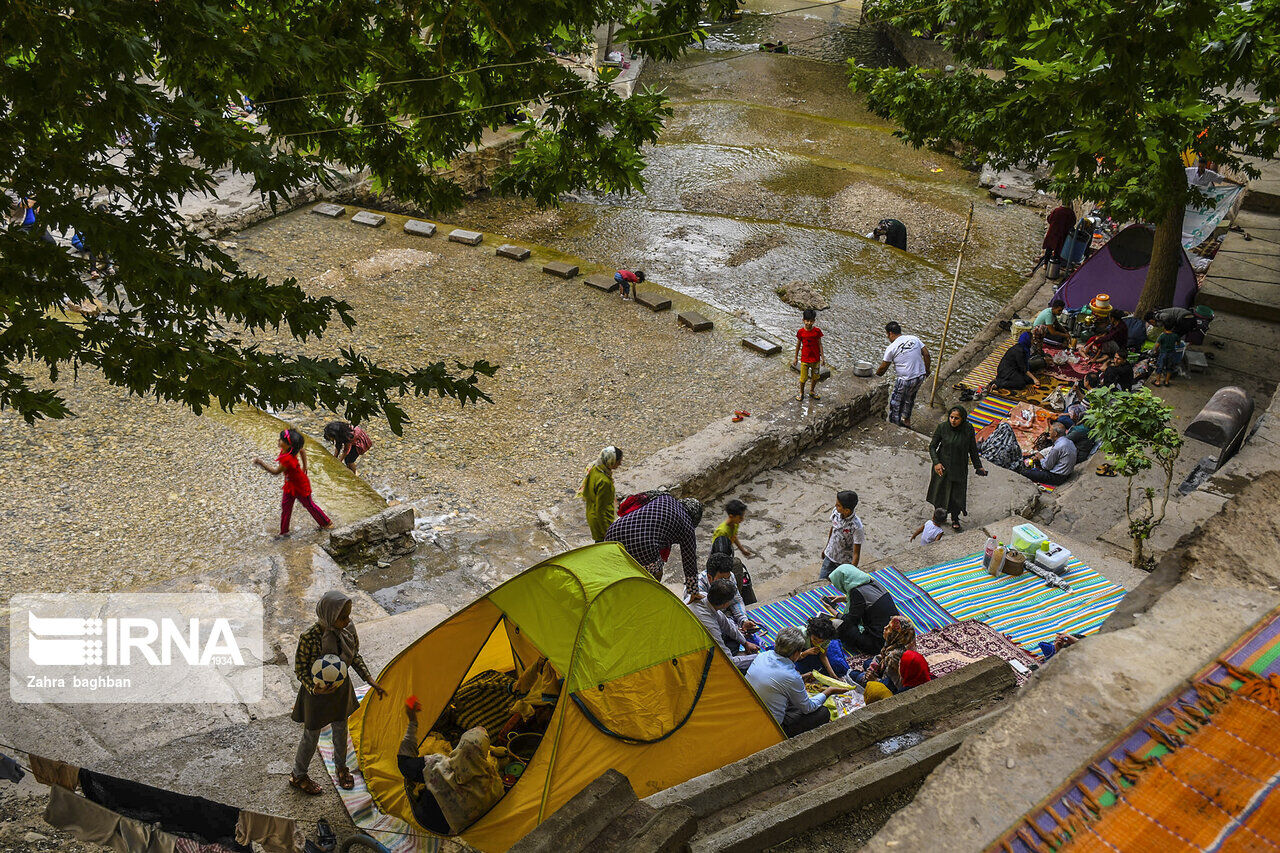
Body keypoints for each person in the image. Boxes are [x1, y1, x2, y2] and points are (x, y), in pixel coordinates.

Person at [291, 591, 386, 795]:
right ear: (328, 615)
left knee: (341, 729)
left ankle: (341, 768)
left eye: (348, 616)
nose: (348, 620)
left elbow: (354, 656)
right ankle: (298, 775)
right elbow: (300, 669)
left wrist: (370, 680)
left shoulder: (347, 630)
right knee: (311, 735)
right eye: (343, 617)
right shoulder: (309, 637)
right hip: (316, 695)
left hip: (340, 690)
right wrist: (314, 687)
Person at [397, 703, 504, 835]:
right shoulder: (493, 779)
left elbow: (405, 764)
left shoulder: (438, 767)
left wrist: (412, 723)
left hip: (429, 826)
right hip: (467, 829)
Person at [745, 627, 849, 737]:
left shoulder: (763, 655)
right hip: (772, 727)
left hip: (750, 712)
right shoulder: (791, 676)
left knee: (793, 699)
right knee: (823, 712)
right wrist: (829, 691)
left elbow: (777, 682)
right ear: (796, 653)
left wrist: (802, 678)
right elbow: (808, 708)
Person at [606, 493, 703, 600]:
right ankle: (647, 597)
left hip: (613, 532)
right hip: (643, 547)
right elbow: (689, 559)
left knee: (620, 571)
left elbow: (638, 498)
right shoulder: (687, 525)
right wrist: (693, 591)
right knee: (656, 573)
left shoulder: (665, 497)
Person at [254, 428, 332, 536]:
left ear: (288, 445)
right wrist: (305, 466)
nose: (278, 440)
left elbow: (275, 472)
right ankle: (284, 532)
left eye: (281, 439)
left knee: (309, 505)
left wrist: (261, 463)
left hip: (300, 485)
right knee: (286, 507)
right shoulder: (291, 450)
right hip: (290, 484)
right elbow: (302, 450)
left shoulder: (287, 459)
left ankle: (326, 523)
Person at [927, 405, 988, 531]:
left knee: (956, 495)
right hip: (942, 467)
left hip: (959, 468)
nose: (953, 421)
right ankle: (940, 516)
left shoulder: (968, 429)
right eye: (951, 417)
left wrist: (978, 466)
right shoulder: (942, 428)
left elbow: (972, 449)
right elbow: (932, 446)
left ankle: (955, 518)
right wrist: (936, 463)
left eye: (957, 418)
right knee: (940, 492)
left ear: (963, 419)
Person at [825, 564, 899, 654]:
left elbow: (850, 620)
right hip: (898, 635)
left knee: (839, 624)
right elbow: (866, 601)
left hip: (879, 643)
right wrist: (845, 598)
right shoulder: (872, 582)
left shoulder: (857, 593)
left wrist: (833, 611)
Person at [691, 579, 759, 672]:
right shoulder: (710, 625)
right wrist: (758, 658)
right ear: (726, 604)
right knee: (744, 670)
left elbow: (725, 623)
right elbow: (729, 662)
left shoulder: (704, 596)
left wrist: (745, 643)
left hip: (699, 637)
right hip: (694, 654)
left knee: (733, 636)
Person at [876, 322, 931, 428]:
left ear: (890, 333)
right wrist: (927, 370)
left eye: (887, 335)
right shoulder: (914, 339)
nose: (888, 337)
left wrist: (874, 377)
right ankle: (906, 420)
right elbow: (927, 354)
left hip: (905, 379)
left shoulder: (891, 348)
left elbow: (883, 368)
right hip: (920, 376)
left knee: (896, 402)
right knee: (910, 398)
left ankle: (894, 426)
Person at [697, 552, 759, 633]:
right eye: (722, 579)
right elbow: (705, 618)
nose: (726, 582)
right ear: (709, 577)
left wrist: (743, 620)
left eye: (727, 578)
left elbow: (736, 601)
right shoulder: (697, 588)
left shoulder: (730, 577)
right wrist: (732, 629)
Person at [578, 445, 623, 542]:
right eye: (618, 461)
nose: (620, 464)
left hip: (591, 512)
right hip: (601, 521)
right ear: (611, 461)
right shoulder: (604, 482)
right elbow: (601, 510)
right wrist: (607, 531)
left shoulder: (595, 467)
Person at [819, 490, 863, 580]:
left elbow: (856, 554)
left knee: (838, 586)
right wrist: (826, 548)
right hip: (830, 557)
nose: (835, 506)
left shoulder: (856, 526)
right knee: (821, 583)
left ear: (846, 510)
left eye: (838, 505)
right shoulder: (836, 513)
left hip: (843, 564)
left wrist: (851, 571)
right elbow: (833, 530)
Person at [1019, 421, 1077, 486]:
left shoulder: (1058, 447)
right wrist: (1039, 457)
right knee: (1035, 456)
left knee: (1024, 472)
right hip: (1064, 472)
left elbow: (1046, 466)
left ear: (1055, 434)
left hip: (1057, 477)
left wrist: (1040, 458)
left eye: (1050, 430)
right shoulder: (1069, 442)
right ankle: (1021, 460)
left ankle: (1020, 466)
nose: (1049, 432)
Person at [793, 308, 826, 402]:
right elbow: (798, 345)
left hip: (816, 359)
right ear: (803, 320)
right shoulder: (800, 332)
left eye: (811, 321)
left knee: (815, 377)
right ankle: (801, 392)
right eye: (807, 321)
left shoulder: (817, 331)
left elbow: (820, 344)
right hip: (805, 359)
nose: (809, 323)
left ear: (814, 321)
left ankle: (812, 390)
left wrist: (823, 357)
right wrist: (795, 358)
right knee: (803, 378)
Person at [1151, 321, 1183, 387]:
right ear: (1172, 328)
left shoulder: (1162, 336)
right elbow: (1178, 343)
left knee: (1160, 367)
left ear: (1164, 328)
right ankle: (1166, 381)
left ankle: (1157, 381)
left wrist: (1155, 351)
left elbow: (1157, 345)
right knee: (1169, 368)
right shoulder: (1175, 336)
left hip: (1163, 353)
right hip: (1171, 354)